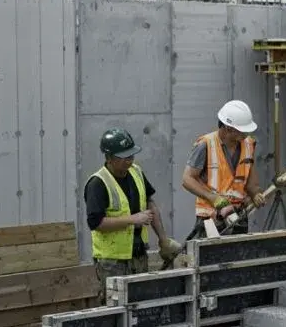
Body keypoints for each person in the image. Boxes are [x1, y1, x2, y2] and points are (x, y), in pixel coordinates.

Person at [84, 128, 180, 303]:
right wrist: (132, 220)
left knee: (140, 304)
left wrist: (163, 240)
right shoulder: (97, 183)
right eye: (124, 157)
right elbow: (96, 223)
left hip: (138, 256)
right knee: (116, 306)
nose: (129, 160)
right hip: (113, 262)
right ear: (109, 158)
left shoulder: (136, 172)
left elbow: (150, 203)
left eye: (131, 155)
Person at [182, 99, 266, 236]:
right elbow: (187, 179)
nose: (246, 134)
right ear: (228, 128)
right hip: (211, 218)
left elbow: (251, 182)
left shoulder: (248, 145)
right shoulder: (206, 144)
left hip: (238, 216)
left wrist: (255, 194)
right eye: (242, 131)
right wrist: (213, 198)